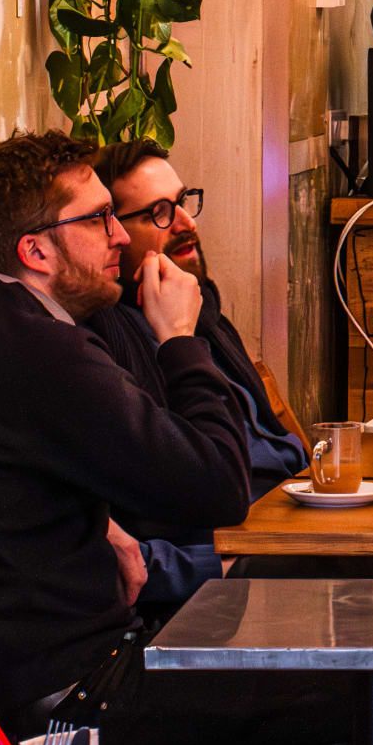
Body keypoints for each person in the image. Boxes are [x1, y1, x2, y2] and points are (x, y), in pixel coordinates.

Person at [0, 131, 360, 745]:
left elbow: (3, 470)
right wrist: (179, 340)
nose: (118, 238)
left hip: (48, 665)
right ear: (37, 251)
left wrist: (98, 522)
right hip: (70, 695)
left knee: (343, 667)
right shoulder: (40, 350)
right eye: (99, 220)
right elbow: (217, 487)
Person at [78, 141, 303, 582]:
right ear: (112, 233)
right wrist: (216, 567)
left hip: (286, 521)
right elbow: (144, 511)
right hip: (235, 560)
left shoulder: (201, 309)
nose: (184, 223)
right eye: (157, 213)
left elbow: (276, 447)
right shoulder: (104, 337)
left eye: (181, 202)